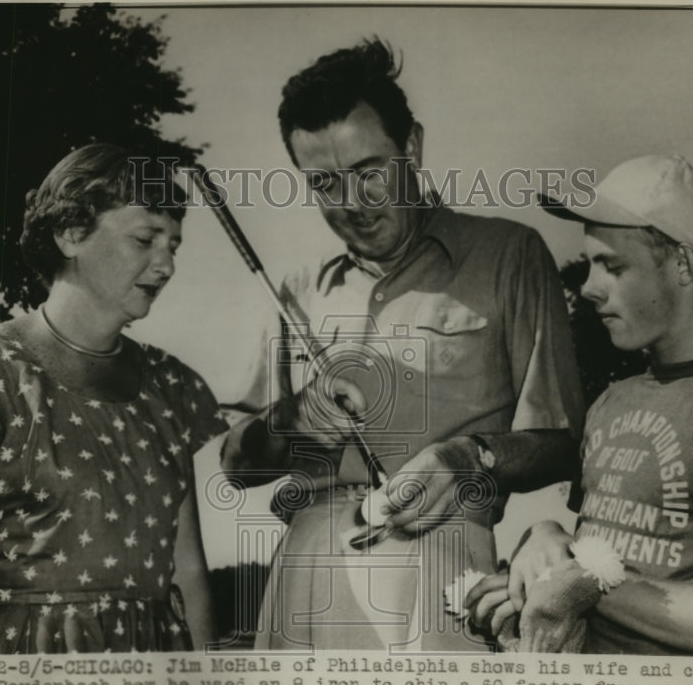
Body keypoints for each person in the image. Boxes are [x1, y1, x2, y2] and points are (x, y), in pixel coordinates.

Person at [221, 39, 585, 651]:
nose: (354, 205)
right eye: (325, 184)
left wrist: (470, 456)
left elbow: (565, 444)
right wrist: (292, 419)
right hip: (305, 566)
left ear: (412, 145)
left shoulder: (509, 255)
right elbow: (238, 468)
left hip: (442, 565)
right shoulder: (296, 289)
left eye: (369, 173)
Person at [468, 154, 693, 656]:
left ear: (684, 264)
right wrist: (541, 542)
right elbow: (597, 558)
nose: (587, 287)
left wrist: (582, 582)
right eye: (589, 265)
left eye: (613, 265)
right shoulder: (611, 400)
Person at [0, 143, 227, 654]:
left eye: (175, 246)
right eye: (145, 240)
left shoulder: (173, 385)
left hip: (161, 674)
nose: (165, 266)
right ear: (70, 233)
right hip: (34, 676)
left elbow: (189, 571)